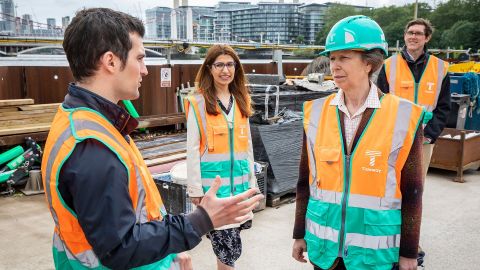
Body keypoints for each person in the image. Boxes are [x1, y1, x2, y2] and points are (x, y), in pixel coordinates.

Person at [41, 8, 262, 270]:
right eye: (141, 58)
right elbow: (120, 247)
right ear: (111, 62)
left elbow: (134, 213)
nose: (145, 70)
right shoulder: (92, 146)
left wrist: (168, 252)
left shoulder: (88, 122)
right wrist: (200, 220)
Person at [291, 15, 425, 270]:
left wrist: (408, 252)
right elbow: (304, 180)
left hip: (373, 256)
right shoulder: (316, 113)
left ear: (369, 63)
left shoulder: (403, 117)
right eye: (332, 58)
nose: (334, 66)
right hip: (324, 248)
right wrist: (299, 234)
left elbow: (413, 192)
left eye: (344, 57)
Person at [184, 44, 256, 270]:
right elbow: (192, 148)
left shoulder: (241, 100)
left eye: (230, 64)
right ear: (209, 68)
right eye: (219, 65)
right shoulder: (198, 103)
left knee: (230, 251)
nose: (225, 70)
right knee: (227, 252)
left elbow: (248, 146)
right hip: (215, 192)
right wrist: (195, 189)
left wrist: (252, 182)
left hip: (240, 189)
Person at [376, 18, 451, 179]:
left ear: (427, 38)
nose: (413, 37)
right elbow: (379, 103)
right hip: (394, 138)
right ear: (404, 36)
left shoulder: (440, 68)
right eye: (410, 33)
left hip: (423, 139)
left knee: (416, 186)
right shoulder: (389, 65)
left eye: (418, 33)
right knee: (389, 183)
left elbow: (444, 107)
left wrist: (430, 135)